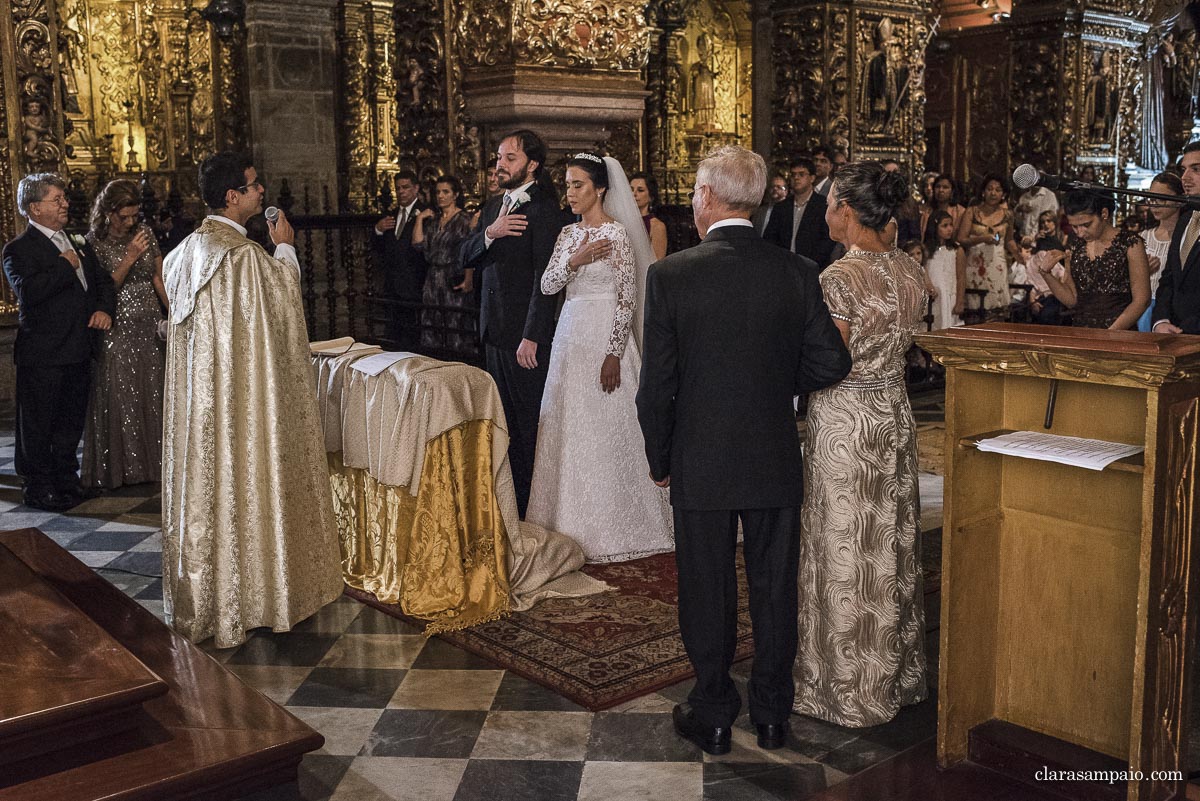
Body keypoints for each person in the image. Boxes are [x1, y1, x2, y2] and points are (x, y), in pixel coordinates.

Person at [637, 145, 851, 755]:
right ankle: (773, 715)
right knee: (774, 587)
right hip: (772, 453)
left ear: (706, 197)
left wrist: (660, 458)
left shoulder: (672, 274)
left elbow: (657, 388)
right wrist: (772, 381)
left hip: (700, 456)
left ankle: (711, 713)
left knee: (706, 587)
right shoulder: (796, 270)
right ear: (757, 202)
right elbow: (830, 361)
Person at [162, 151, 343, 648]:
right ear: (231, 197)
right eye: (253, 184)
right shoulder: (243, 258)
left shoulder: (182, 254)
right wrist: (284, 250)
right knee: (246, 479)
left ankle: (208, 596)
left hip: (204, 407)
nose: (262, 191)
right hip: (240, 407)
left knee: (211, 487)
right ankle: (257, 596)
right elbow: (282, 310)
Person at [793, 160, 928, 728]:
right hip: (895, 413)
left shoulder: (840, 279)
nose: (825, 213)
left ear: (845, 211)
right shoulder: (911, 272)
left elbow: (830, 363)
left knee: (845, 543)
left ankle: (847, 688)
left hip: (847, 421)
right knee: (890, 543)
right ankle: (895, 676)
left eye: (828, 205)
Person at [527, 154, 673, 563]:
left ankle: (618, 522)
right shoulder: (566, 234)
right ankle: (565, 521)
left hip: (605, 334)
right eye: (569, 185)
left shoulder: (619, 234)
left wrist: (614, 352)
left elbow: (627, 298)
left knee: (609, 424)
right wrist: (577, 259)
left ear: (601, 188)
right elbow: (548, 283)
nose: (571, 193)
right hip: (571, 333)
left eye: (578, 185)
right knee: (567, 421)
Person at [460, 129, 566, 517]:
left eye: (509, 159)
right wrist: (491, 233)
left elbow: (547, 277)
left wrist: (533, 336)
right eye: (499, 158)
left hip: (524, 338)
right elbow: (463, 257)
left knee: (528, 426)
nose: (500, 165)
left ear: (532, 165)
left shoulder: (545, 210)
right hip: (493, 332)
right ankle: (510, 503)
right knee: (501, 423)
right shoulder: (492, 209)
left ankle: (532, 507)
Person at [3, 173, 115, 511]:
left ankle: (67, 479)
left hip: (79, 348)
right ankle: (38, 486)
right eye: (57, 199)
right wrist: (63, 265)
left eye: (63, 197)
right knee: (40, 424)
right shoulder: (18, 249)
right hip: (44, 353)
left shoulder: (77, 239)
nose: (65, 203)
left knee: (69, 421)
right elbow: (29, 292)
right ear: (35, 208)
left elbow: (102, 282)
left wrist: (102, 308)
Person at [81, 179, 169, 490]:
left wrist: (172, 311)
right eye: (124, 217)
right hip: (117, 326)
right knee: (121, 394)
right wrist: (129, 257)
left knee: (153, 390)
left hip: (149, 325)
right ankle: (124, 470)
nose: (130, 222)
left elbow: (159, 277)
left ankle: (158, 466)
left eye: (134, 215)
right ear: (107, 213)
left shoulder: (145, 234)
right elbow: (104, 290)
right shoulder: (93, 243)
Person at [1034, 189, 1150, 330]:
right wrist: (1046, 273)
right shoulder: (1076, 246)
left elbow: (1142, 300)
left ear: (1104, 214)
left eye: (1086, 225)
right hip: (1083, 331)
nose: (1080, 232)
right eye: (1074, 227)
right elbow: (1072, 300)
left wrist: (1110, 333)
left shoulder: (1130, 243)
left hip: (1120, 332)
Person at [413, 175, 476, 352]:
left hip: (453, 277)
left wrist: (468, 278)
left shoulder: (464, 219)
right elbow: (418, 244)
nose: (440, 196)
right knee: (431, 324)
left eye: (445, 192)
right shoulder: (434, 221)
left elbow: (470, 251)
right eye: (438, 192)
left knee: (455, 323)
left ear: (455, 194)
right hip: (432, 279)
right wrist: (419, 219)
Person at [372, 170, 426, 347]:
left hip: (414, 284)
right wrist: (378, 230)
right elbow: (381, 250)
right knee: (393, 336)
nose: (401, 192)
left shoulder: (425, 213)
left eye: (405, 187)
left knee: (412, 336)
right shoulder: (391, 215)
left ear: (416, 188)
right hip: (392, 286)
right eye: (398, 188)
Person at [1152, 141, 1200, 334]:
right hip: (1174, 336)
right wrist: (1160, 320)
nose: (1185, 178)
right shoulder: (1186, 220)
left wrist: (1188, 329)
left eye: (1195, 169)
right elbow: (1169, 279)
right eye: (1183, 169)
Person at [957, 174, 1015, 315]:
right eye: (989, 189)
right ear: (983, 192)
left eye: (998, 190)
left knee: (996, 309)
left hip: (997, 264)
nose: (993, 193)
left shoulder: (1008, 215)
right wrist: (982, 239)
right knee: (975, 308)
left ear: (1003, 194)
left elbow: (1009, 241)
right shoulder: (972, 211)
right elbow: (961, 238)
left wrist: (1020, 254)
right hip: (975, 263)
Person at [763, 157, 835, 270]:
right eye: (793, 174)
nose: (796, 178)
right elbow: (770, 239)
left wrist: (809, 263)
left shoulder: (823, 206)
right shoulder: (781, 207)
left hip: (814, 269)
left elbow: (828, 239)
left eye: (801, 174)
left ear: (812, 178)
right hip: (784, 269)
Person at [1138, 172, 1184, 331]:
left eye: (1161, 199)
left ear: (1179, 200)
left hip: (1174, 310)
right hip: (1142, 308)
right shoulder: (1143, 237)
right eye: (1151, 199)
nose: (1155, 205)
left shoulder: (1186, 238)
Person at [922, 209, 965, 329]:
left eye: (951, 225)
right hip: (933, 295)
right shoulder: (925, 250)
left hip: (950, 296)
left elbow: (961, 277)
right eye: (945, 226)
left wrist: (960, 301)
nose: (949, 229)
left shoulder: (956, 250)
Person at [630, 171, 668, 260]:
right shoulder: (622, 220)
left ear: (651, 196)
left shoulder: (657, 226)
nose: (634, 194)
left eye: (640, 190)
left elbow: (657, 263)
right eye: (631, 189)